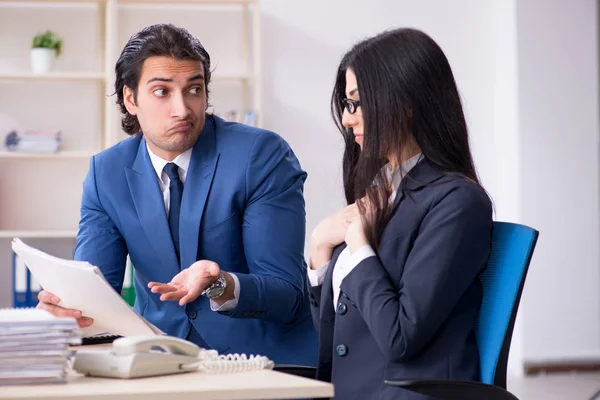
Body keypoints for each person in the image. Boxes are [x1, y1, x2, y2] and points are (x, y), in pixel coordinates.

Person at [36, 23, 317, 366]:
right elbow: (98, 295)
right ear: (130, 98)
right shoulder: (106, 172)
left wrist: (220, 283)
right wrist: (70, 310)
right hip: (158, 360)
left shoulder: (260, 154)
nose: (182, 109)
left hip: (265, 360)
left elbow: (286, 293)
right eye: (161, 92)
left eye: (194, 89)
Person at [307, 28, 493, 399]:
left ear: (406, 104)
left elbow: (400, 338)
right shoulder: (380, 192)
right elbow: (336, 336)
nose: (348, 119)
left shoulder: (458, 202)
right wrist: (319, 250)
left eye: (359, 103)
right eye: (347, 104)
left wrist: (358, 245)